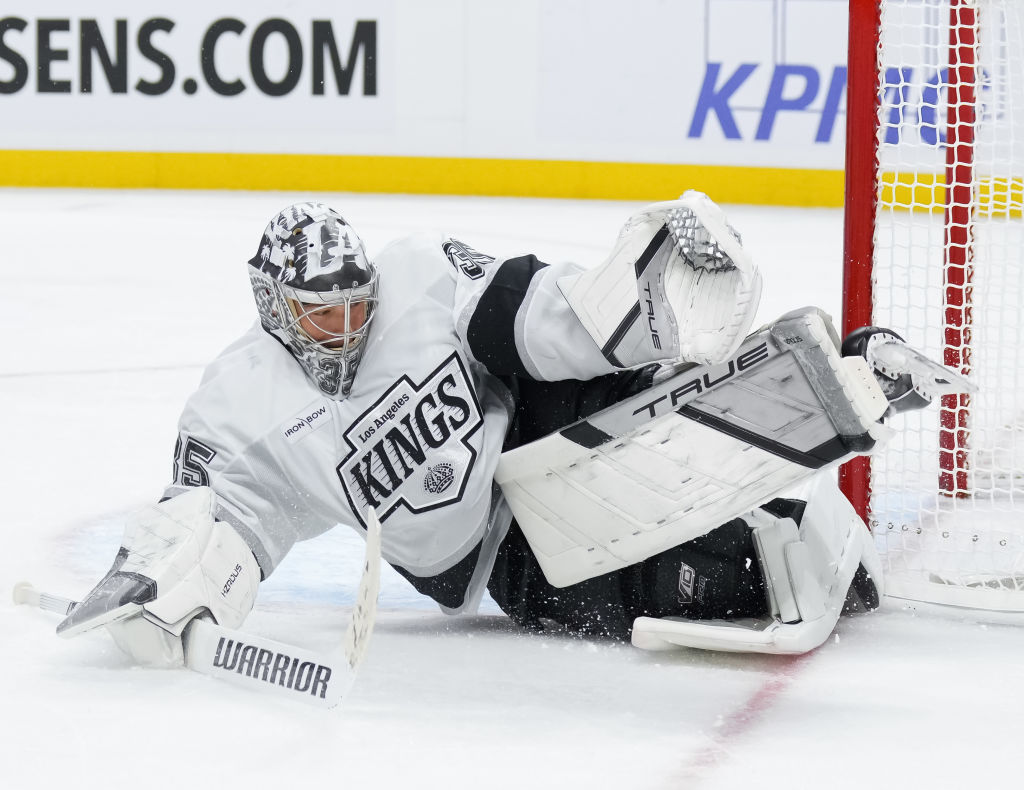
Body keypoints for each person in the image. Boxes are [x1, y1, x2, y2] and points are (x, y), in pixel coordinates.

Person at [56, 194, 956, 664]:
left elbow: (530, 313)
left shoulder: (413, 277)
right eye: (322, 315)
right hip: (500, 559)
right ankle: (797, 552)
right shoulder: (236, 409)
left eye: (354, 305)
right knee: (689, 579)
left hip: (527, 418)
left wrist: (633, 314)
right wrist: (166, 591)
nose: (347, 327)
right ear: (275, 308)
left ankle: (854, 370)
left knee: (672, 408)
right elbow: (214, 524)